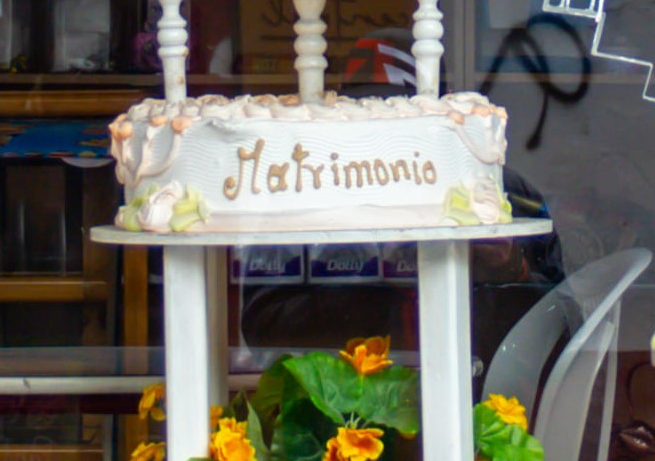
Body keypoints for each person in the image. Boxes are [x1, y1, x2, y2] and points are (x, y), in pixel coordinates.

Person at [238, 28, 569, 386]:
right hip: (347, 408)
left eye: (402, 113)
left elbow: (560, 330)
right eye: (366, 111)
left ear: (443, 111)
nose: (384, 129)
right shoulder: (304, 197)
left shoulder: (500, 195)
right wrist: (373, 280)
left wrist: (512, 270)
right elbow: (263, 334)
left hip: (476, 398)